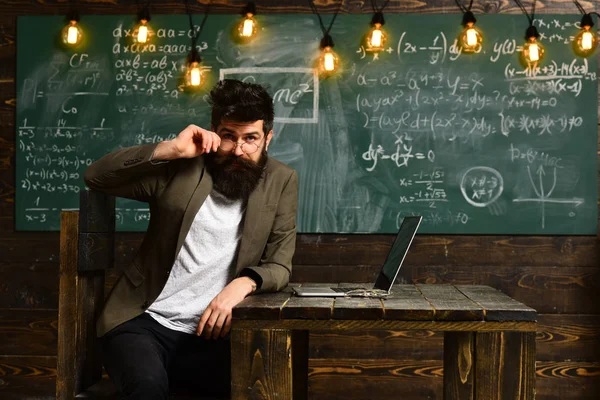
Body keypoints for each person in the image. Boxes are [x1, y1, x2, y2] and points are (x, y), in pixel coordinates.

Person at [83, 79, 298, 399]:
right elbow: (96, 176)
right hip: (141, 321)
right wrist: (171, 149)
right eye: (229, 137)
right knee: (147, 388)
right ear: (214, 131)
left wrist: (243, 284)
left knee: (256, 388)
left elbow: (280, 263)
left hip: (212, 336)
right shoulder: (182, 167)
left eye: (250, 139)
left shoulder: (282, 180)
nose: (238, 150)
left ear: (268, 138)